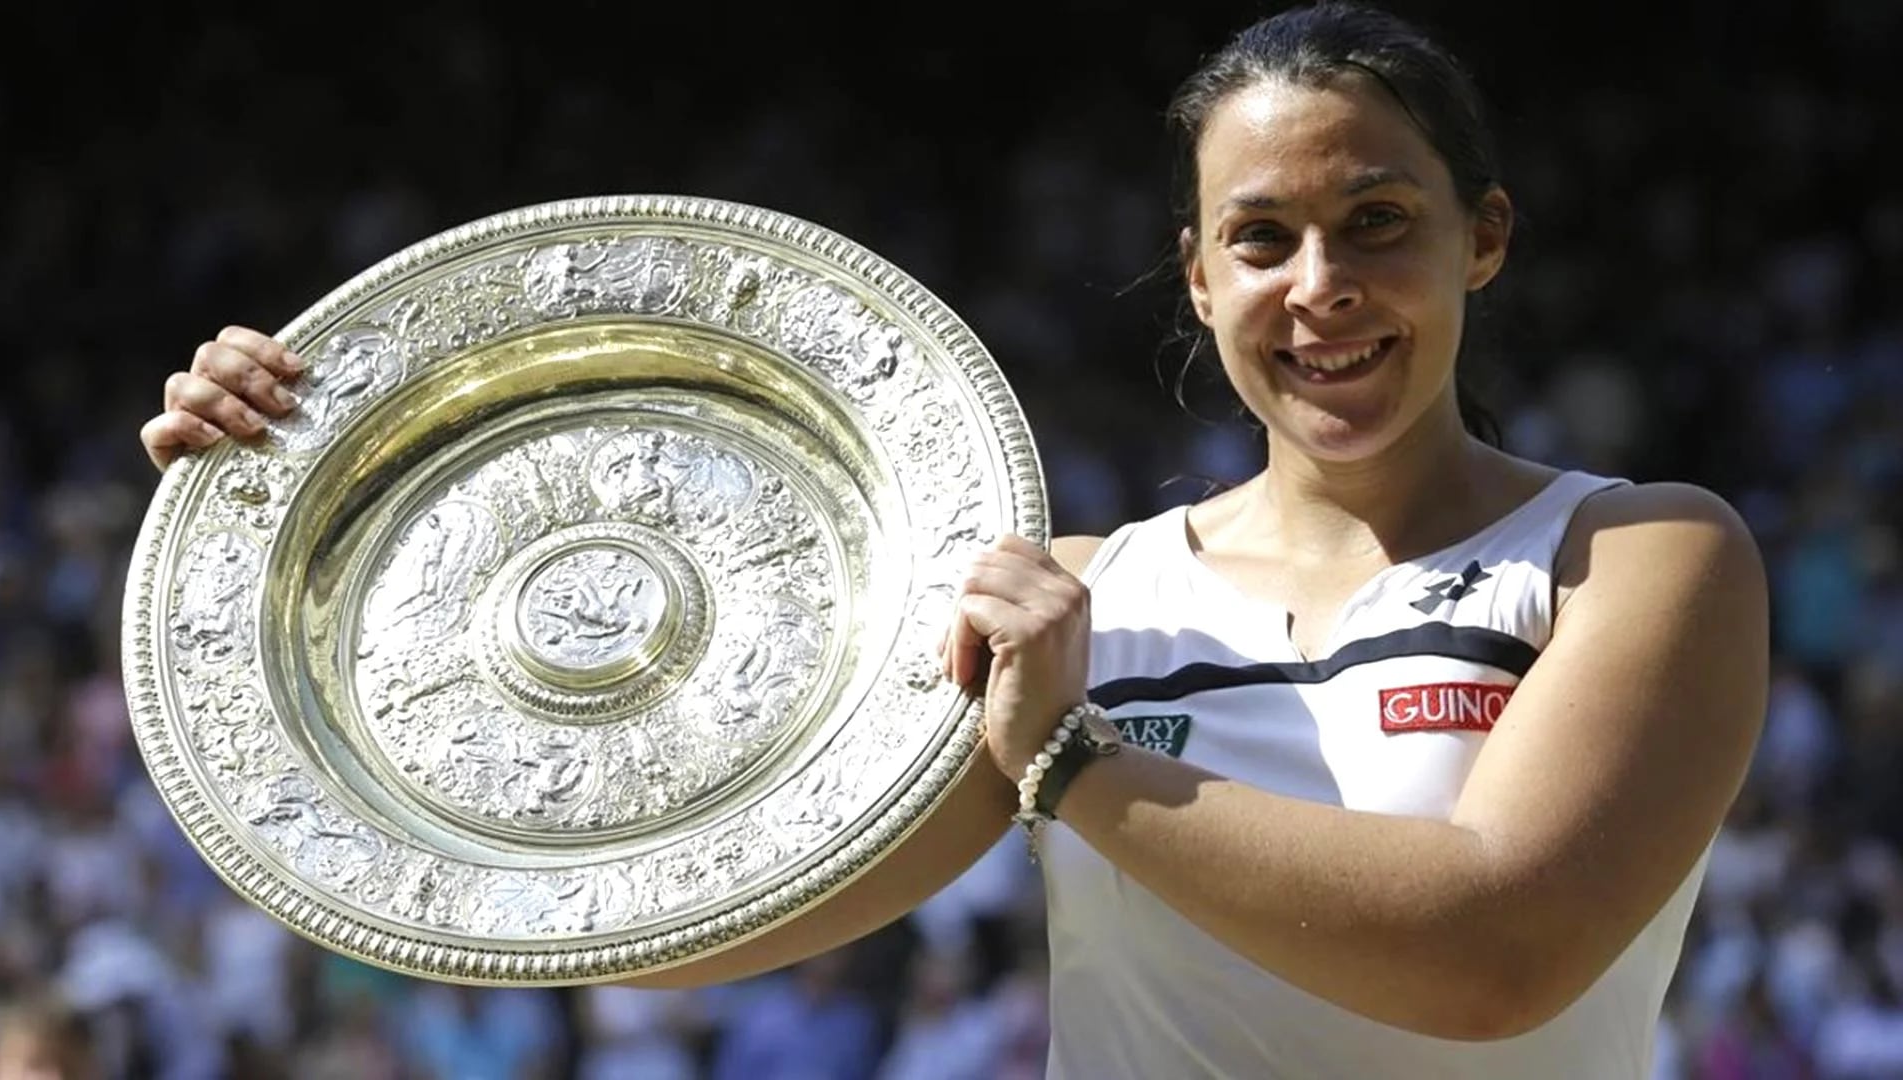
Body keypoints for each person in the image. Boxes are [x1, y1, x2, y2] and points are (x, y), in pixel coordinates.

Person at [139, 3, 1768, 1075]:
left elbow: (1495, 957)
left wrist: (1068, 762)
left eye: (1379, 224)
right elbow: (663, 925)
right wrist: (292, 495)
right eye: (1260, 238)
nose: (1318, 286)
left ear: (1482, 242)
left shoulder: (1638, 557)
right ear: (1199, 279)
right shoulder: (1083, 599)